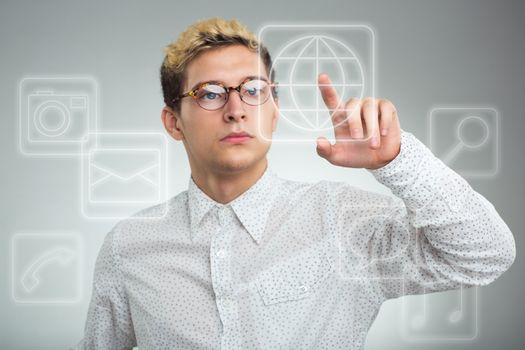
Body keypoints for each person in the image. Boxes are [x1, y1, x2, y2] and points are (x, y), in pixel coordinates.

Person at [74, 17, 516, 349]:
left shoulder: (345, 222)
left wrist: (398, 162)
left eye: (253, 89)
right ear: (174, 122)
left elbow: (485, 255)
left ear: (274, 108)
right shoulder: (128, 247)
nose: (236, 109)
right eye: (210, 93)